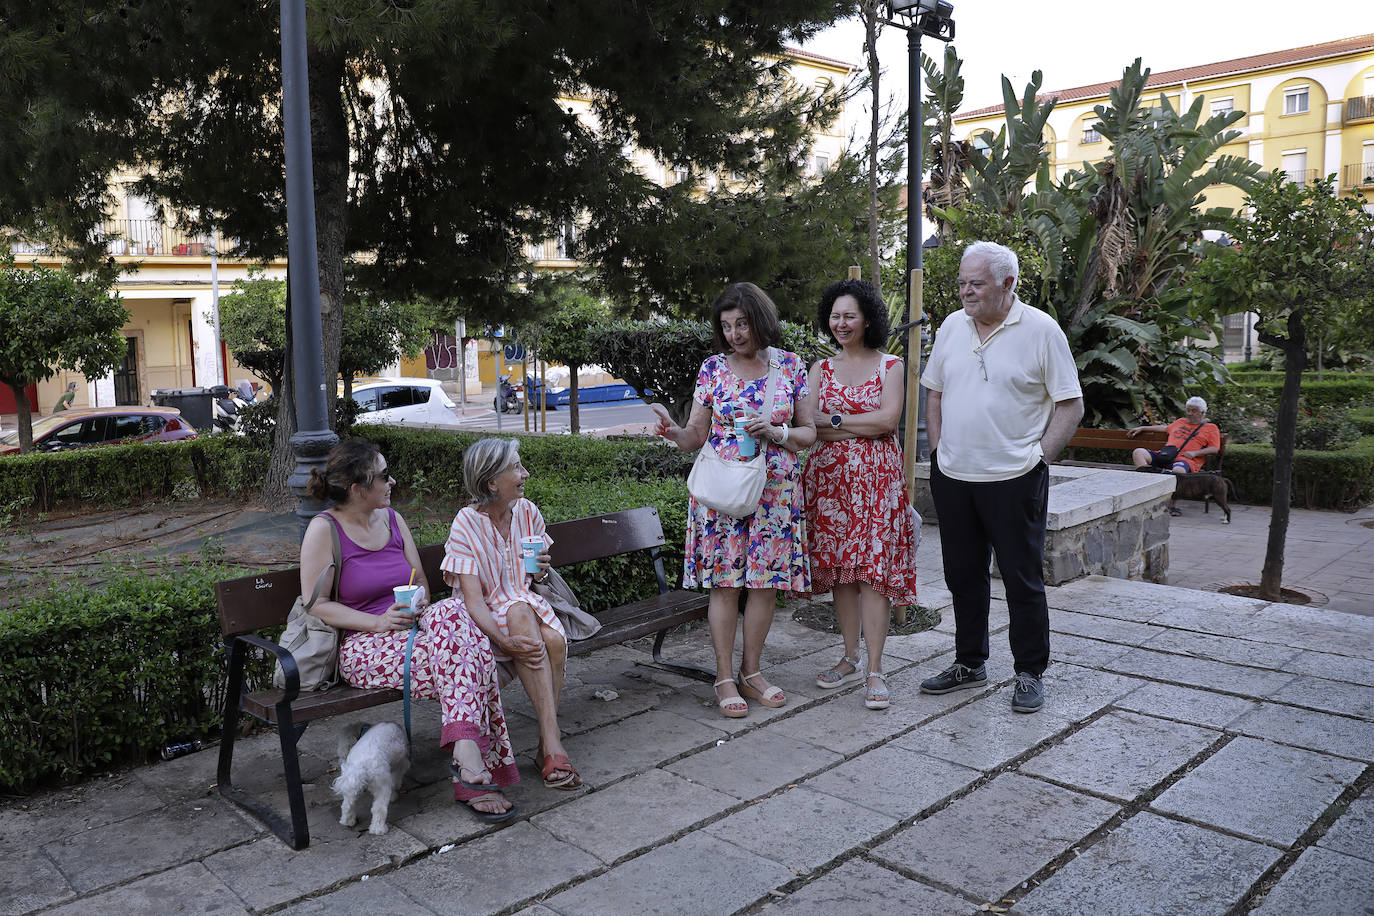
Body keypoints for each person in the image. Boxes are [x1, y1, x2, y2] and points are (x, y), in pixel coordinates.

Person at [300, 440, 517, 821]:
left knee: (452, 609)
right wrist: (379, 622)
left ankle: (467, 758)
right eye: (383, 476)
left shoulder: (394, 520)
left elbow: (422, 586)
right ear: (357, 487)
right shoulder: (324, 530)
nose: (392, 482)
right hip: (363, 644)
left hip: (413, 631)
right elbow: (316, 604)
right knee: (475, 659)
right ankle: (471, 766)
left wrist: (416, 601)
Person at [919, 241, 1084, 714]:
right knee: (962, 576)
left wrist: (1041, 457)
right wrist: (938, 449)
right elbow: (935, 391)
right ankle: (969, 663)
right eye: (962, 283)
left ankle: (1029, 672)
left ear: (1008, 283)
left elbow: (1070, 403)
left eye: (976, 284)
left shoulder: (1041, 331)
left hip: (1015, 477)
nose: (966, 293)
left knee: (1020, 579)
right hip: (954, 476)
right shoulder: (953, 326)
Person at [651, 282, 817, 718]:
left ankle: (752, 672)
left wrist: (777, 432)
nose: (734, 334)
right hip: (722, 496)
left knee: (763, 586)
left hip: (775, 494)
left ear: (759, 320)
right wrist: (672, 430)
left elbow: (809, 433)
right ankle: (724, 677)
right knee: (725, 585)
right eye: (726, 327)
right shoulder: (713, 369)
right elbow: (694, 437)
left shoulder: (791, 367)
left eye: (741, 323)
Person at [803, 279, 920, 710]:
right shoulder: (820, 369)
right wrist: (854, 421)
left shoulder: (891, 365)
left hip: (877, 484)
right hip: (829, 484)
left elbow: (888, 421)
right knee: (842, 574)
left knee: (873, 573)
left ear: (868, 318)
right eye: (835, 316)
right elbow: (808, 422)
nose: (841, 323)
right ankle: (849, 657)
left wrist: (835, 422)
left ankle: (875, 669)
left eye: (849, 315)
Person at [442, 437, 581, 790]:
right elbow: (473, 603)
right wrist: (506, 641)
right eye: (516, 468)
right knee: (527, 618)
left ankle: (547, 743)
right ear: (491, 481)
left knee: (551, 637)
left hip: (527, 607)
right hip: (484, 624)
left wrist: (543, 570)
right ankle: (551, 746)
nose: (526, 474)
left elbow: (535, 579)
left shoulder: (527, 512)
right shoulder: (465, 524)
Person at [1127, 396, 1222, 516]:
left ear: (1202, 413)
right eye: (1188, 410)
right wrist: (1142, 428)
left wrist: (1194, 453)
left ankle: (1172, 506)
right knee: (1138, 452)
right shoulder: (1180, 421)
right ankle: (1148, 493)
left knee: (1178, 471)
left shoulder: (1211, 428)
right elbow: (1165, 428)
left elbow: (1215, 448)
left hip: (1185, 460)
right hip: (1165, 455)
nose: (1190, 413)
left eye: (1194, 411)